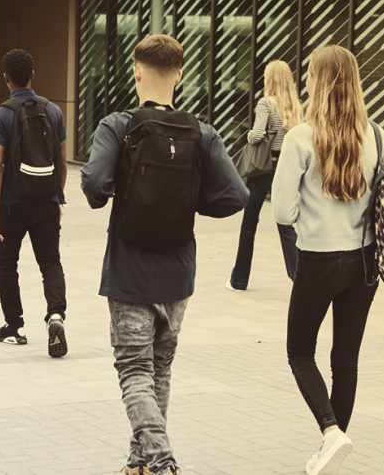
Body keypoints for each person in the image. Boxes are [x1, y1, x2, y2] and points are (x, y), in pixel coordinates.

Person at [81, 34, 248, 475]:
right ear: (179, 75)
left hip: (130, 271)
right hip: (178, 274)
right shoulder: (202, 132)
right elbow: (236, 196)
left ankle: (161, 461)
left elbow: (94, 187)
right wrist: (186, 201)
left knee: (134, 371)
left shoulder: (118, 126)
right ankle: (139, 465)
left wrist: (131, 196)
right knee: (159, 370)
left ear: (136, 71)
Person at [272, 45, 384, 475]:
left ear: (317, 83)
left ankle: (331, 433)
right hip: (365, 261)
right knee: (345, 360)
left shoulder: (301, 138)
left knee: (300, 352)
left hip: (319, 259)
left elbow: (283, 212)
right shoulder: (376, 135)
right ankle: (331, 448)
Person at [0, 49, 69, 357]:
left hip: (11, 205)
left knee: (7, 264)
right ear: (32, 74)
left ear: (5, 78)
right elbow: (61, 161)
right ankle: (56, 315)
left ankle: (14, 327)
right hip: (46, 202)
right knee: (50, 262)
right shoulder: (54, 112)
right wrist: (56, 197)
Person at [227, 59, 302, 291]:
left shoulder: (265, 103)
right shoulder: (295, 105)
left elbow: (257, 135)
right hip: (284, 168)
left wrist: (250, 134)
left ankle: (239, 281)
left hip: (262, 170)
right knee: (285, 224)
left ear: (270, 78)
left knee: (249, 223)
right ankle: (299, 278)